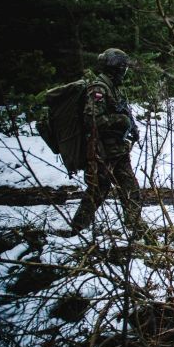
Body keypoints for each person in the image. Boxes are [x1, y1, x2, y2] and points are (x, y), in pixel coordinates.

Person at [70, 48, 144, 239]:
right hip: (104, 151)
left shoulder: (113, 87)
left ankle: (136, 228)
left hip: (117, 150)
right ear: (116, 68)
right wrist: (120, 120)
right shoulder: (99, 89)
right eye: (123, 68)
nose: (125, 71)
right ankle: (78, 227)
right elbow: (92, 120)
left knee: (130, 189)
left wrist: (129, 126)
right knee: (98, 191)